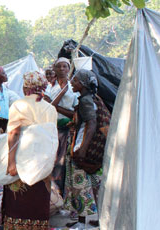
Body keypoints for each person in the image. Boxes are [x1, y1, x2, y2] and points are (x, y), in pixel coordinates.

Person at [3, 71, 57, 230]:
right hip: (43, 159)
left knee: (19, 197)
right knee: (39, 195)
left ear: (26, 86)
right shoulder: (50, 108)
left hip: (22, 157)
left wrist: (11, 162)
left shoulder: (18, 105)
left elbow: (13, 133)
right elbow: (53, 137)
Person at [63, 70, 102, 228]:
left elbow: (91, 124)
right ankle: (93, 219)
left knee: (79, 185)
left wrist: (83, 148)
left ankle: (80, 222)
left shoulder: (86, 101)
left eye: (75, 80)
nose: (72, 82)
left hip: (80, 147)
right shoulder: (89, 98)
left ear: (83, 84)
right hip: (84, 146)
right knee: (92, 185)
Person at [46, 57, 78, 196]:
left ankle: (61, 195)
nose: (62, 69)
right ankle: (53, 195)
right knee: (52, 161)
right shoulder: (50, 87)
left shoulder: (73, 88)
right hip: (52, 128)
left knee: (62, 162)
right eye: (59, 66)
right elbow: (47, 106)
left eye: (65, 66)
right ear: (55, 68)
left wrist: (56, 107)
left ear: (69, 68)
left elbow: (75, 112)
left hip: (67, 129)